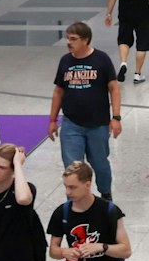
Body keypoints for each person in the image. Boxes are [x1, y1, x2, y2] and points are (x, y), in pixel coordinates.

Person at [51, 24, 122, 199]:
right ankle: (76, 199)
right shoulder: (65, 61)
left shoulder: (101, 59)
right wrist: (52, 120)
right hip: (71, 124)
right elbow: (58, 91)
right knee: (72, 167)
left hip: (98, 124)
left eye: (73, 39)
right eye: (68, 38)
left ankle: (105, 194)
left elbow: (114, 88)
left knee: (100, 163)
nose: (69, 42)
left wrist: (116, 117)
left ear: (85, 40)